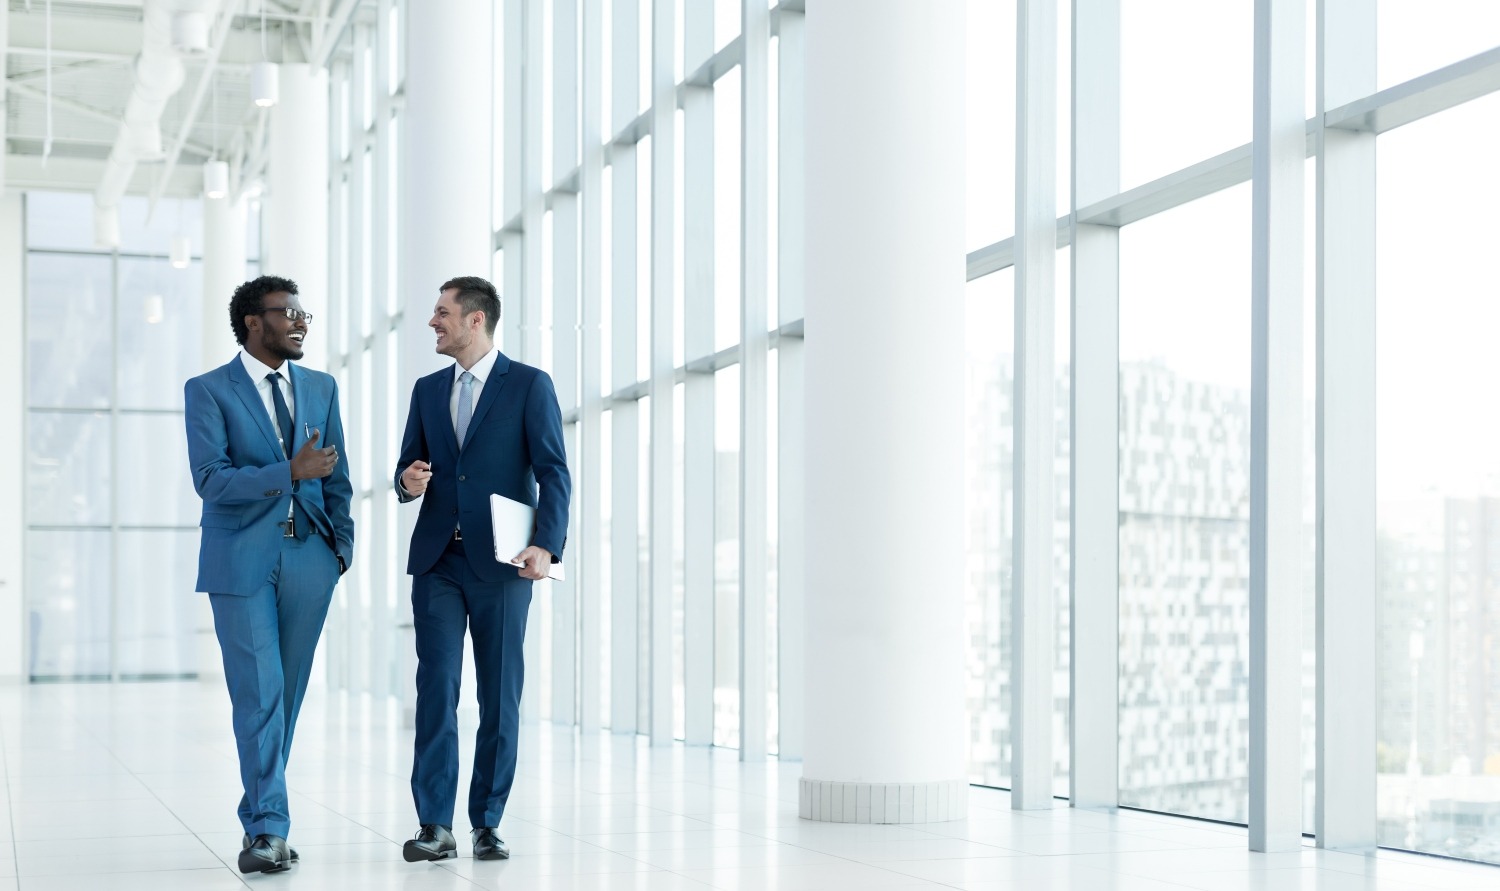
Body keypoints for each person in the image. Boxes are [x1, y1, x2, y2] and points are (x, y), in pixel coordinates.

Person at [394, 276, 570, 862]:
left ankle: (487, 820)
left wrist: (548, 545)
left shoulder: (528, 385)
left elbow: (554, 471)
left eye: (441, 312)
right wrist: (406, 482)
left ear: (476, 320)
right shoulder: (426, 390)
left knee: (499, 695)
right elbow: (406, 466)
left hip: (502, 565)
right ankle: (433, 824)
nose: (432, 322)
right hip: (439, 560)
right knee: (436, 690)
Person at [184, 275, 354, 874]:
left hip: (311, 557)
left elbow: (337, 478)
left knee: (287, 695)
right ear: (255, 321)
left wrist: (340, 551)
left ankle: (263, 810)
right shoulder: (208, 390)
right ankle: (267, 829)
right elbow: (210, 479)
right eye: (289, 312)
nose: (301, 321)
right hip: (241, 561)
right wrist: (288, 470)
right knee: (259, 694)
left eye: (305, 312)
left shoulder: (322, 387)